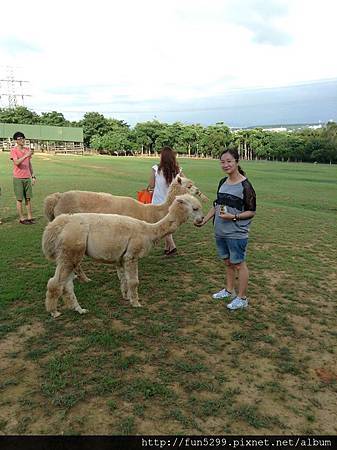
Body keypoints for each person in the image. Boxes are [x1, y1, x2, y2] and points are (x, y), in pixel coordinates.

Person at [196, 147, 256, 310]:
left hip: (236, 233)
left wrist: (234, 217)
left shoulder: (245, 185)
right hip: (220, 231)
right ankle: (229, 290)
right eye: (222, 162)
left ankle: (242, 298)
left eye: (229, 161)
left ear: (237, 162)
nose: (225, 165)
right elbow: (217, 206)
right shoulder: (223, 182)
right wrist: (205, 220)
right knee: (228, 262)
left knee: (239, 264)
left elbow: (251, 211)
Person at [148, 146, 184, 256]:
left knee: (163, 225)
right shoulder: (178, 171)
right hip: (172, 203)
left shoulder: (156, 169)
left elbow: (151, 185)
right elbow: (185, 183)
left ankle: (172, 246)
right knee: (166, 224)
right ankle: (167, 247)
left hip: (158, 203)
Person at [10, 132, 37, 224]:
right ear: (16, 140)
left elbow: (29, 164)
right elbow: (16, 162)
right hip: (18, 178)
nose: (22, 140)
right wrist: (26, 155)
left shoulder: (27, 149)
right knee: (19, 199)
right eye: (20, 138)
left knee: (28, 198)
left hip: (27, 177)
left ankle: (30, 217)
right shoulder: (13, 150)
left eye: (23, 138)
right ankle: (22, 219)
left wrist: (33, 176)